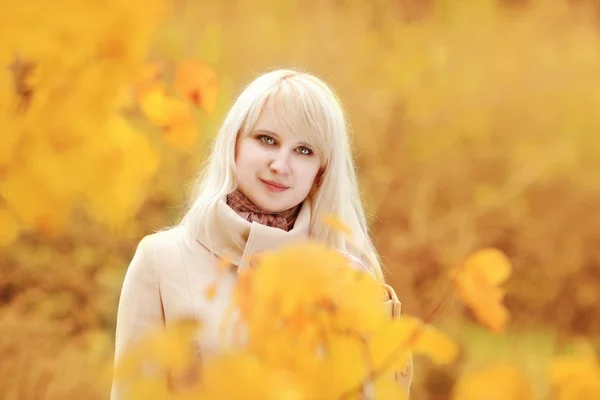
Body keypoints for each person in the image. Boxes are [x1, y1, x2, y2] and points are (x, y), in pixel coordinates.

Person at [110, 69, 412, 399]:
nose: (281, 165)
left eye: (304, 150)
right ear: (234, 143)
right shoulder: (162, 259)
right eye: (267, 140)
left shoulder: (348, 277)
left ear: (320, 174)